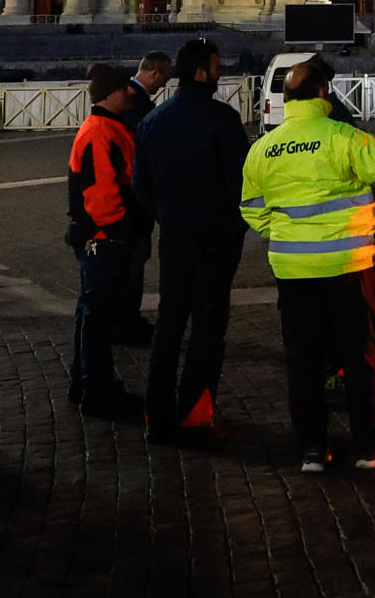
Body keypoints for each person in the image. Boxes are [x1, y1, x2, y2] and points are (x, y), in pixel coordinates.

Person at [240, 54, 375, 473]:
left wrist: (287, 236)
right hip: (348, 268)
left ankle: (312, 451)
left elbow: (252, 209)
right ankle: (371, 446)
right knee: (360, 357)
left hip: (293, 273)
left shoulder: (262, 149)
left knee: (304, 362)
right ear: (323, 94)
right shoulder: (345, 138)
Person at [135, 38, 248, 445]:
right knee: (207, 326)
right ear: (201, 72)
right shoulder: (222, 120)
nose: (220, 73)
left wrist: (165, 216)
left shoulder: (152, 121)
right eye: (216, 66)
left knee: (169, 325)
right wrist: (236, 228)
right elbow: (241, 184)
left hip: (175, 236)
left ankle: (157, 414)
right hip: (215, 238)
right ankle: (195, 415)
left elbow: (140, 185)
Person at [65, 62, 151, 418]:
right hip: (104, 238)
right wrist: (120, 230)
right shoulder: (101, 132)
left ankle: (84, 382)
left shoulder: (106, 127)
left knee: (91, 313)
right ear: (110, 94)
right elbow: (102, 193)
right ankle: (97, 391)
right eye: (123, 88)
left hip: (102, 235)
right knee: (98, 318)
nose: (130, 91)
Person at [110, 50, 177, 343]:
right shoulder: (135, 102)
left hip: (130, 196)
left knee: (132, 261)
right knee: (132, 262)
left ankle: (126, 318)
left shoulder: (131, 99)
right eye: (162, 81)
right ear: (153, 73)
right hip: (132, 199)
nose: (162, 87)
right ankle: (126, 322)